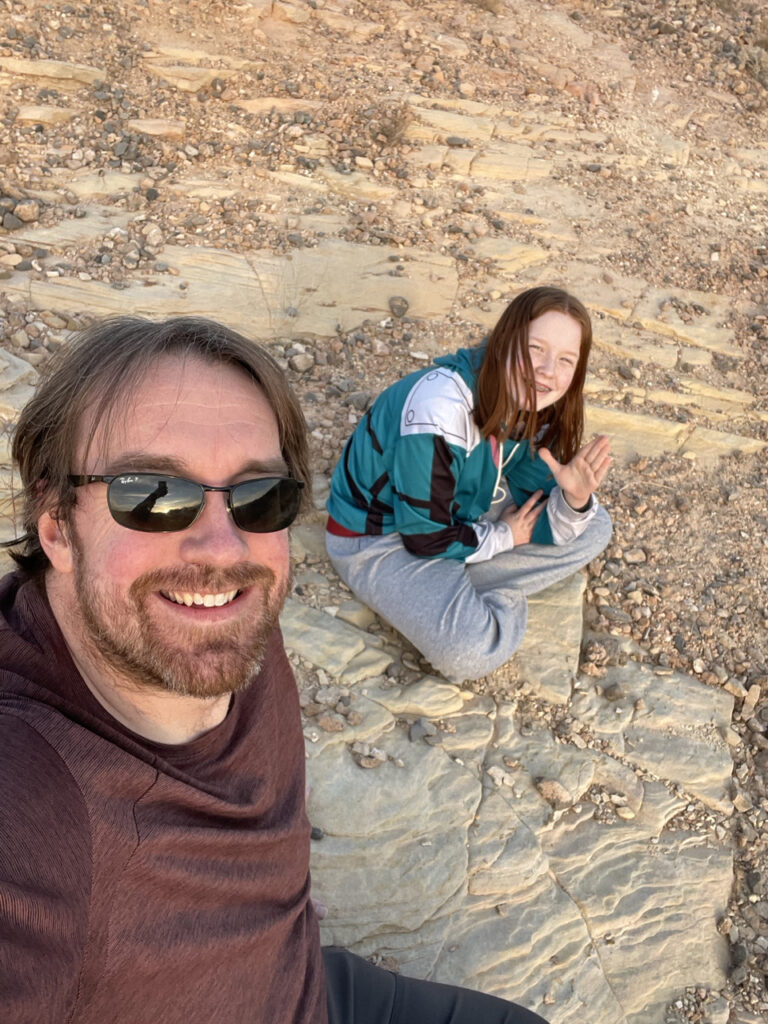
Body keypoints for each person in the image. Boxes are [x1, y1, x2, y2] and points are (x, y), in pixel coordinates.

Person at [0, 316, 549, 1024]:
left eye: (262, 496)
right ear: (55, 528)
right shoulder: (34, 807)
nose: (223, 548)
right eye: (152, 495)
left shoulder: (220, 616)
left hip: (302, 976)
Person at [326, 286, 613, 682]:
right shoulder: (438, 409)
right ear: (505, 339)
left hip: (461, 507)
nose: (548, 371)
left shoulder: (536, 400)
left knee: (594, 523)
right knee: (472, 652)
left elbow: (536, 495)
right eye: (535, 349)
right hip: (381, 537)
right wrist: (502, 539)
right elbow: (424, 539)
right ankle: (473, 586)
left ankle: (454, 581)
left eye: (566, 360)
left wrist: (574, 498)